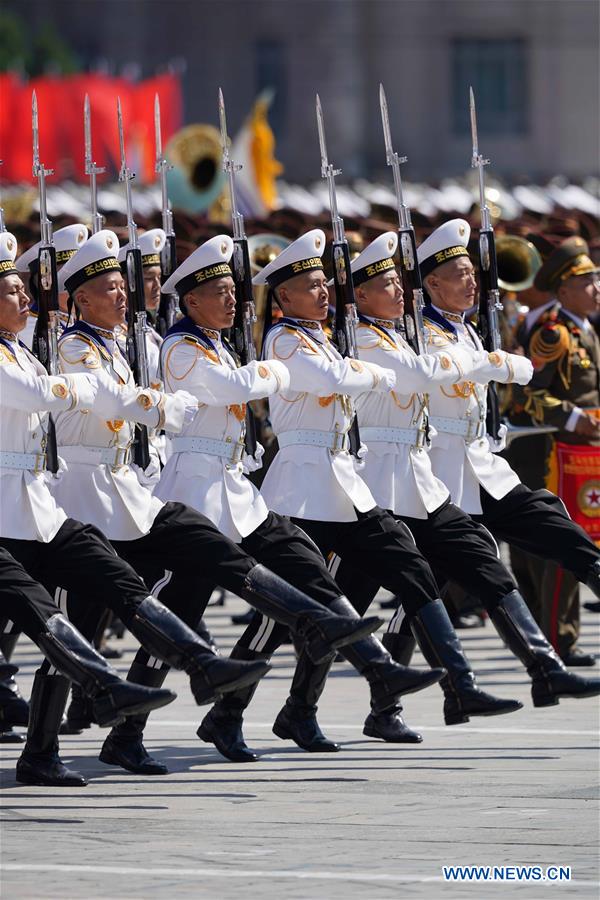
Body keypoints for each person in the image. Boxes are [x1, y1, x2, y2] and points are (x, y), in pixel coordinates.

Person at [103, 235, 444, 771]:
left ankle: (379, 669)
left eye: (233, 291)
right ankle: (127, 734)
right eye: (218, 292)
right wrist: (276, 372)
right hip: (195, 492)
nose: (231, 301)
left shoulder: (218, 340)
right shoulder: (180, 346)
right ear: (190, 301)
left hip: (238, 491)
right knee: (181, 615)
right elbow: (229, 389)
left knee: (305, 571)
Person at [0, 229, 320, 785]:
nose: (26, 298)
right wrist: (108, 395)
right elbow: (42, 396)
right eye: (12, 291)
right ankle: (51, 740)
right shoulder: (67, 348)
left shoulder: (42, 349)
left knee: (139, 579)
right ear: (80, 297)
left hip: (89, 497)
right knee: (59, 616)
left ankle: (223, 655)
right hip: (60, 497)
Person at [200, 228, 526, 762]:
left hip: (346, 484)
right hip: (302, 491)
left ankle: (456, 684)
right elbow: (343, 379)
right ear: (283, 297)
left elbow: (368, 379)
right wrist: (369, 371)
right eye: (312, 285)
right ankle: (229, 714)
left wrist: (365, 366)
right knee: (286, 616)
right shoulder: (284, 339)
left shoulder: (328, 334)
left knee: (407, 569)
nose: (325, 292)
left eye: (326, 283)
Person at [412, 218, 600, 701]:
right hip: (443, 476)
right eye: (460, 273)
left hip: (485, 469)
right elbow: (449, 373)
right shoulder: (422, 333)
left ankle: (544, 669)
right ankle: (389, 690)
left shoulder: (468, 328)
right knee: (419, 591)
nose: (472, 280)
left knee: (549, 518)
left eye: (473, 271)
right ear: (432, 283)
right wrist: (503, 362)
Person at [0, 545, 177, 784]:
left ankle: (114, 729)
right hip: (53, 535)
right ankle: (39, 748)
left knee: (76, 629)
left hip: (90, 528)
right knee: (61, 632)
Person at [516, 235, 600, 664]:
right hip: (561, 455)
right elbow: (531, 395)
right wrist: (573, 418)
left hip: (589, 452)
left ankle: (566, 635)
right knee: (568, 543)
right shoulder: (553, 334)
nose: (596, 289)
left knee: (588, 541)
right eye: (587, 282)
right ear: (564, 289)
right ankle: (557, 639)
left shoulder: (586, 331)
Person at [16, 223, 88, 350]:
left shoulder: (82, 320)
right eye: (66, 279)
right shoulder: (31, 330)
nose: (78, 284)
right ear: (45, 284)